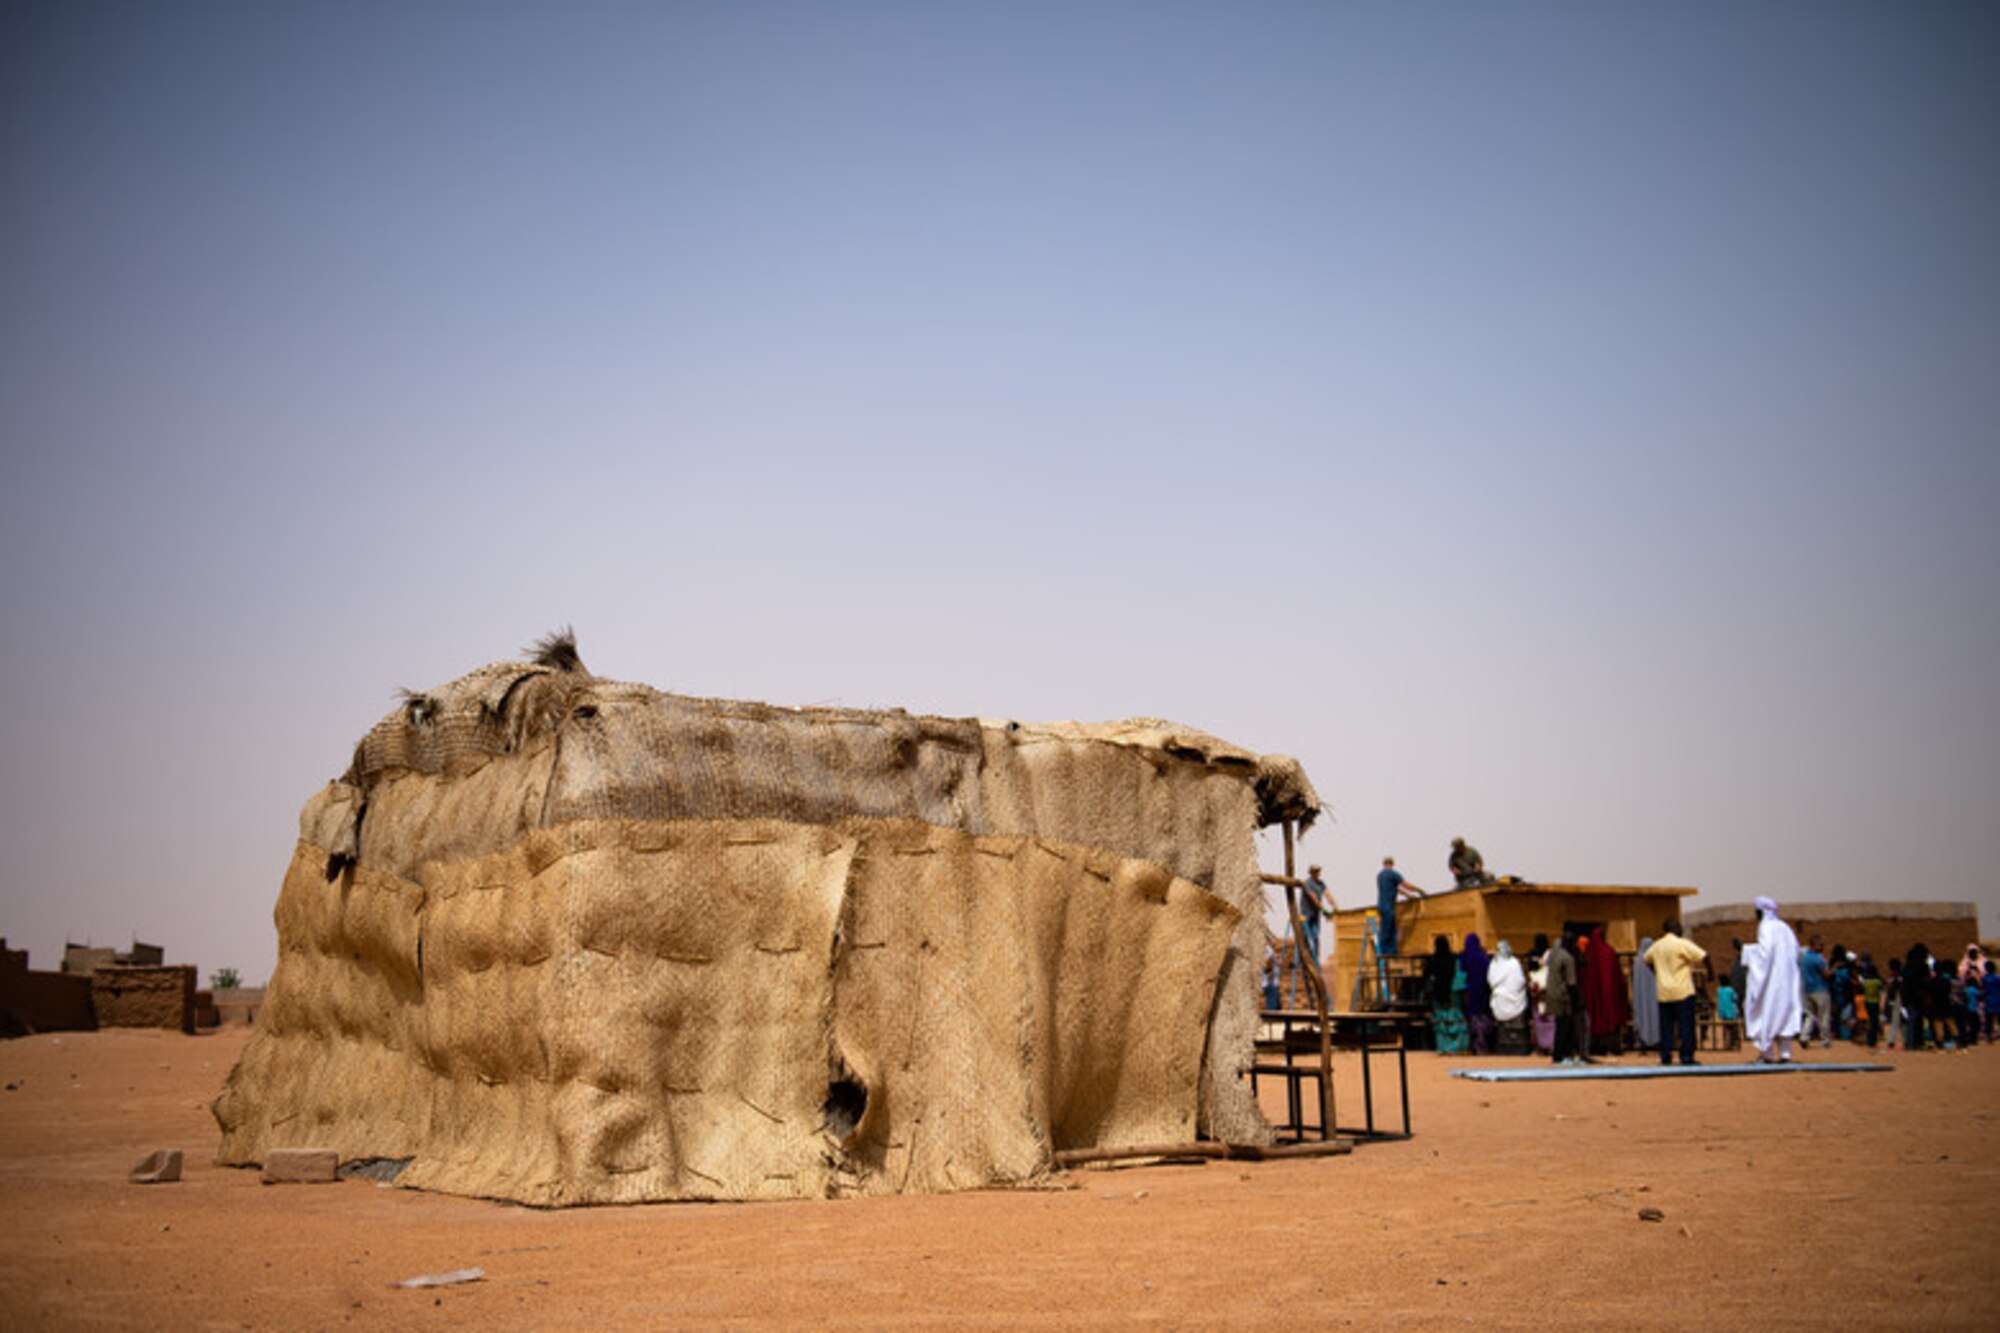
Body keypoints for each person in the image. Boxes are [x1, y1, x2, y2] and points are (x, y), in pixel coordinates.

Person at [1743, 896, 1804, 1063]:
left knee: (1767, 1012)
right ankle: (1785, 1053)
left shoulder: (1766, 927)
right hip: (1787, 979)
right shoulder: (1785, 927)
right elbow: (1796, 951)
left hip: (1771, 980)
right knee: (1784, 1013)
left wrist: (1749, 954)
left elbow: (1765, 954)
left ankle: (1767, 1054)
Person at [1643, 919, 1707, 1067]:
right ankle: (1686, 1056)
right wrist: (1710, 974)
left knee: (1666, 1027)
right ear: (1673, 929)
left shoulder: (1657, 946)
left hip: (1664, 992)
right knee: (1686, 1026)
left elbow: (1646, 959)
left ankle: (1666, 1056)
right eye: (1678, 927)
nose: (1681, 929)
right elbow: (1704, 956)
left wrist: (1657, 973)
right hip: (1683, 991)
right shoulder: (1681, 944)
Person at [1581, 926, 1630, 1057]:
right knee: (1610, 1018)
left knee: (1595, 1018)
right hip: (1609, 994)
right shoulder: (1609, 952)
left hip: (1594, 995)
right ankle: (1613, 1046)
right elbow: (1617, 976)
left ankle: (1596, 1046)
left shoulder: (1589, 953)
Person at [1290, 864, 1329, 1006]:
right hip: (1306, 914)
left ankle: (1314, 957)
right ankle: (1303, 956)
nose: (1317, 873)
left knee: (1316, 937)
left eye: (1318, 871)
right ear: (1311, 872)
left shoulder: (1321, 883)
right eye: (1315, 871)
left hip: (1315, 915)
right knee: (1306, 938)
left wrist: (1334, 905)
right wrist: (1323, 908)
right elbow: (1313, 897)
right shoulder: (1307, 883)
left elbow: (1327, 894)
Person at [1374, 856, 1424, 957]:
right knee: (1386, 930)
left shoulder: (1380, 875)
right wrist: (1419, 890)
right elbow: (1406, 885)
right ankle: (1384, 953)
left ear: (1383, 864)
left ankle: (1392, 952)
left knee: (1392, 930)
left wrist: (1408, 895)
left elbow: (1395, 889)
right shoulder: (1393, 874)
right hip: (1388, 906)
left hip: (1382, 905)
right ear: (1392, 864)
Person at [1424, 935, 1467, 1054]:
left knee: (1441, 1021)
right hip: (1452, 993)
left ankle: (1443, 1048)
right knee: (1455, 1020)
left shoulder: (1432, 960)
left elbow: (1426, 975)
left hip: (1438, 994)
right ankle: (1457, 1047)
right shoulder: (1454, 959)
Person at [1488, 940, 1530, 1053]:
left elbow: (1492, 981)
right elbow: (1521, 981)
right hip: (1514, 999)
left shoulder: (1495, 964)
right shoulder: (1514, 963)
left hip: (1501, 999)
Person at [1460, 932, 1494, 1054]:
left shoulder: (1464, 956)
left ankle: (1474, 1044)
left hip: (1469, 992)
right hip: (1483, 991)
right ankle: (1482, 1043)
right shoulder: (1483, 957)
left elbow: (1461, 972)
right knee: (1483, 1017)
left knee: (1472, 1018)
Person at [1800, 936, 1832, 1048]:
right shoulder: (1818, 958)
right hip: (1820, 989)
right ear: (1813, 945)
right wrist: (1835, 968)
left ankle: (1804, 1036)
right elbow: (1826, 974)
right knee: (1823, 1016)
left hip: (1808, 990)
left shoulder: (1804, 958)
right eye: (1819, 945)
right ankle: (1825, 1040)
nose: (1822, 947)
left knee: (1810, 1015)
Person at [1631, 937, 1661, 1055]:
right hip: (1653, 994)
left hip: (1641, 995)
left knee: (1643, 1015)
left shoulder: (1637, 961)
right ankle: (1656, 1041)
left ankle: (1643, 1042)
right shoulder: (1653, 961)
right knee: (1654, 1015)